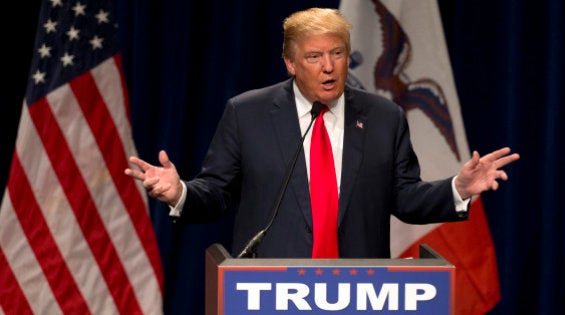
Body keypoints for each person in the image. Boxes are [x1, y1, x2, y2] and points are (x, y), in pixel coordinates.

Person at [124, 7, 519, 259]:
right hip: (272, 291)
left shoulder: (384, 117)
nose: (328, 67)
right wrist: (180, 193)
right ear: (290, 63)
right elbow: (218, 192)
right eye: (314, 57)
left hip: (361, 292)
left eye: (338, 54)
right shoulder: (248, 114)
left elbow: (405, 197)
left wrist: (457, 188)